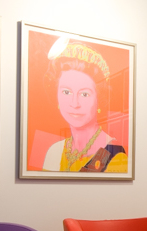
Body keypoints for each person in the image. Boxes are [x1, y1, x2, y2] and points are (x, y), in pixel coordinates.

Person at [41, 42, 127, 173]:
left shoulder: (115, 155)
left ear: (99, 99)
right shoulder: (54, 151)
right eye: (66, 92)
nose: (75, 103)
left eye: (84, 94)